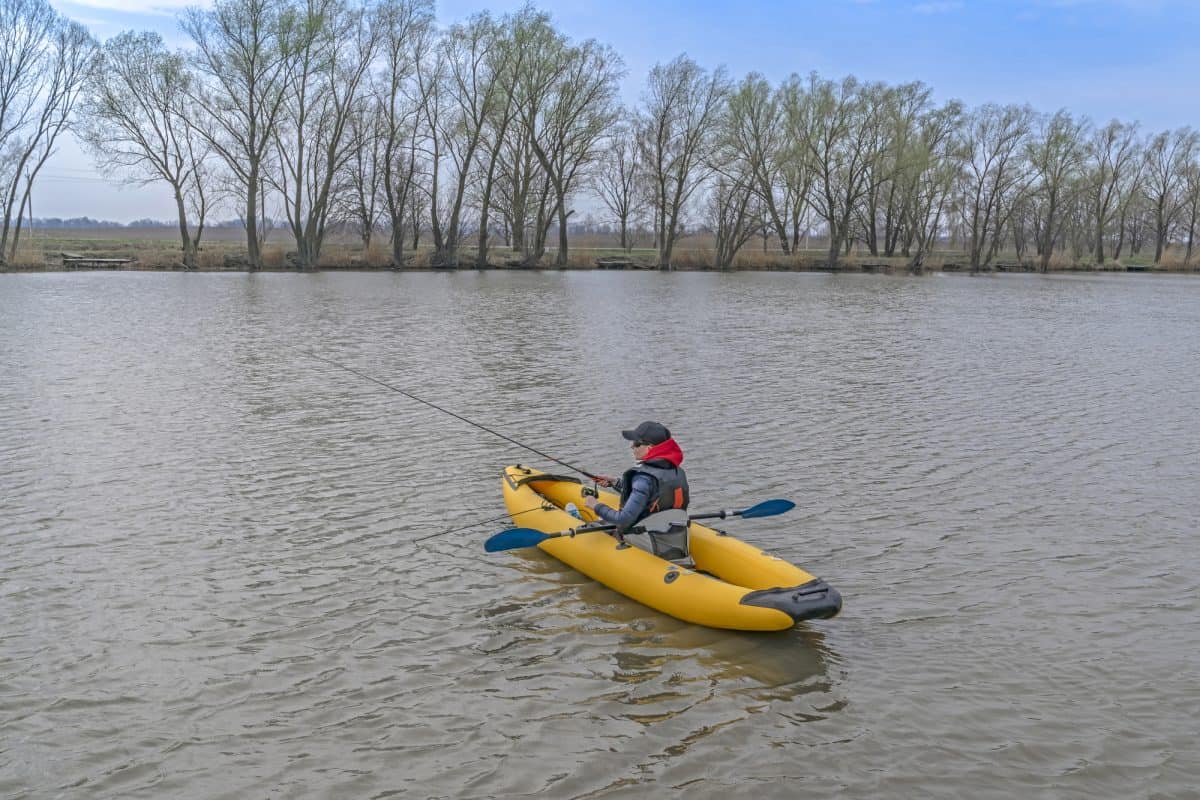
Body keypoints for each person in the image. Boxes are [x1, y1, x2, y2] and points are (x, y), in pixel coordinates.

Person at [584, 421, 691, 561]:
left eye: (636, 444)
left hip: (646, 539)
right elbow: (655, 494)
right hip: (672, 536)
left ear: (649, 448)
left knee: (596, 524)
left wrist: (595, 505)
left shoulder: (644, 478)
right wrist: (615, 483)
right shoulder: (678, 472)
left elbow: (623, 519)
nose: (632, 446)